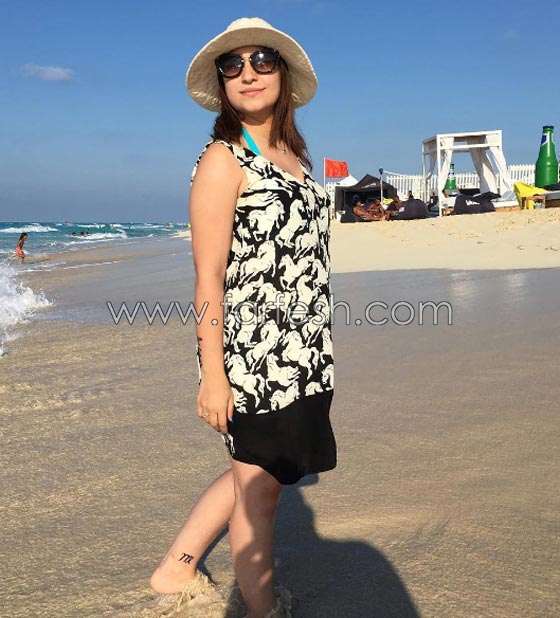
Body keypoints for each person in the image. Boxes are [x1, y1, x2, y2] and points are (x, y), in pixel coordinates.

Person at [150, 18, 336, 618]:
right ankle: (262, 609)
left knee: (262, 473)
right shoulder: (223, 160)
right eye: (232, 65)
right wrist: (213, 374)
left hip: (304, 356)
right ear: (222, 83)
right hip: (252, 360)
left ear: (283, 73)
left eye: (262, 60)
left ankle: (176, 566)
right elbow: (207, 278)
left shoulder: (294, 157)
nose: (248, 73)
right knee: (261, 493)